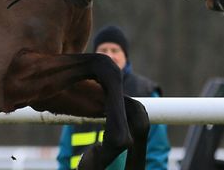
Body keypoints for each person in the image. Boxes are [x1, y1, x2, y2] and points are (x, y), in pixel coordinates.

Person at [56, 25, 170, 170]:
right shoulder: (79, 94)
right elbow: (65, 155)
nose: (109, 56)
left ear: (125, 56)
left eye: (115, 50)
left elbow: (157, 154)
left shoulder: (146, 93)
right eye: (103, 51)